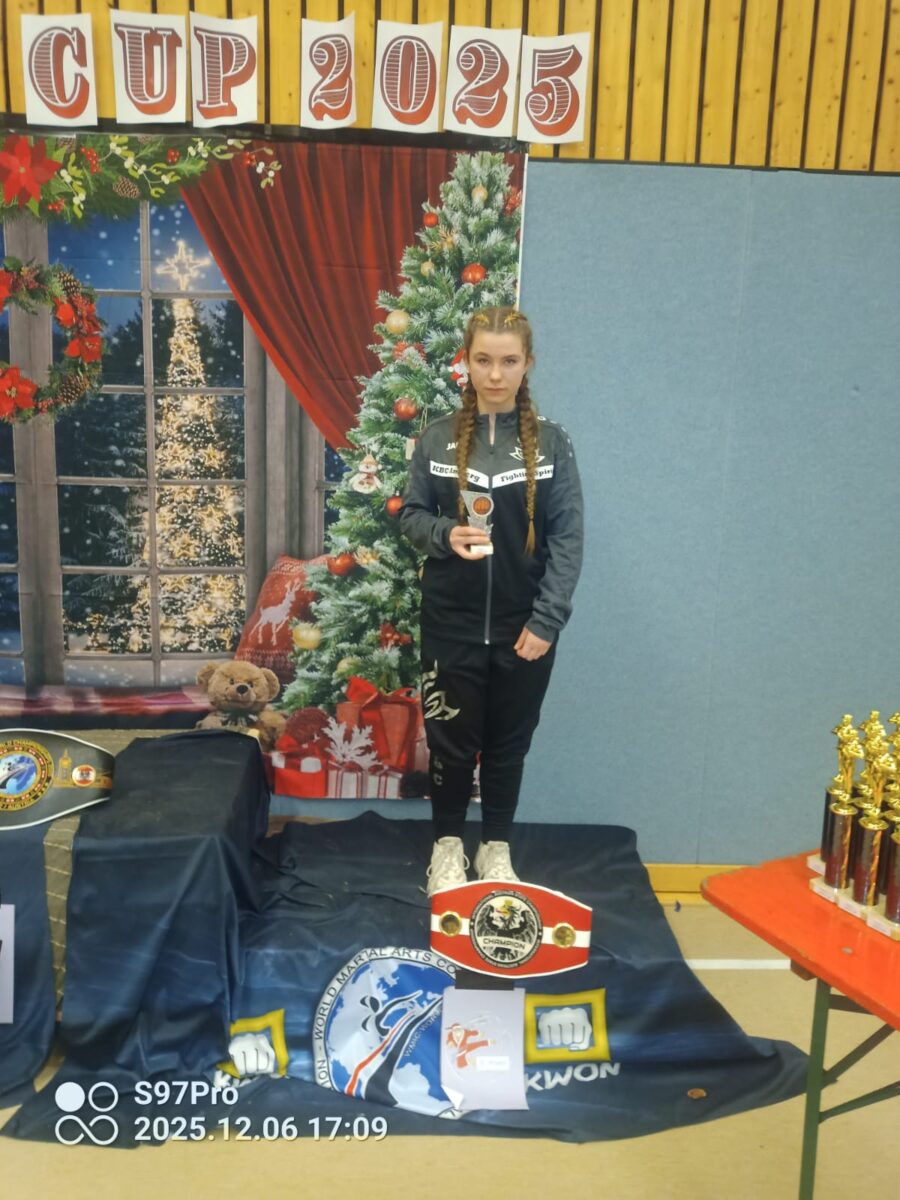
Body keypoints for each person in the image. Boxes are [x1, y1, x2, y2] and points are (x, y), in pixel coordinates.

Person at [399, 306, 583, 895]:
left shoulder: (553, 444)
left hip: (523, 629)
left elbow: (567, 540)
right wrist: (444, 534)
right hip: (449, 626)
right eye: (483, 360)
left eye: (508, 361)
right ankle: (448, 849)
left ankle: (495, 849)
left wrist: (547, 621)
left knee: (508, 746)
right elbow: (411, 515)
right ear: (468, 362)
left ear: (528, 364)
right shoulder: (437, 437)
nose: (495, 374)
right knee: (450, 746)